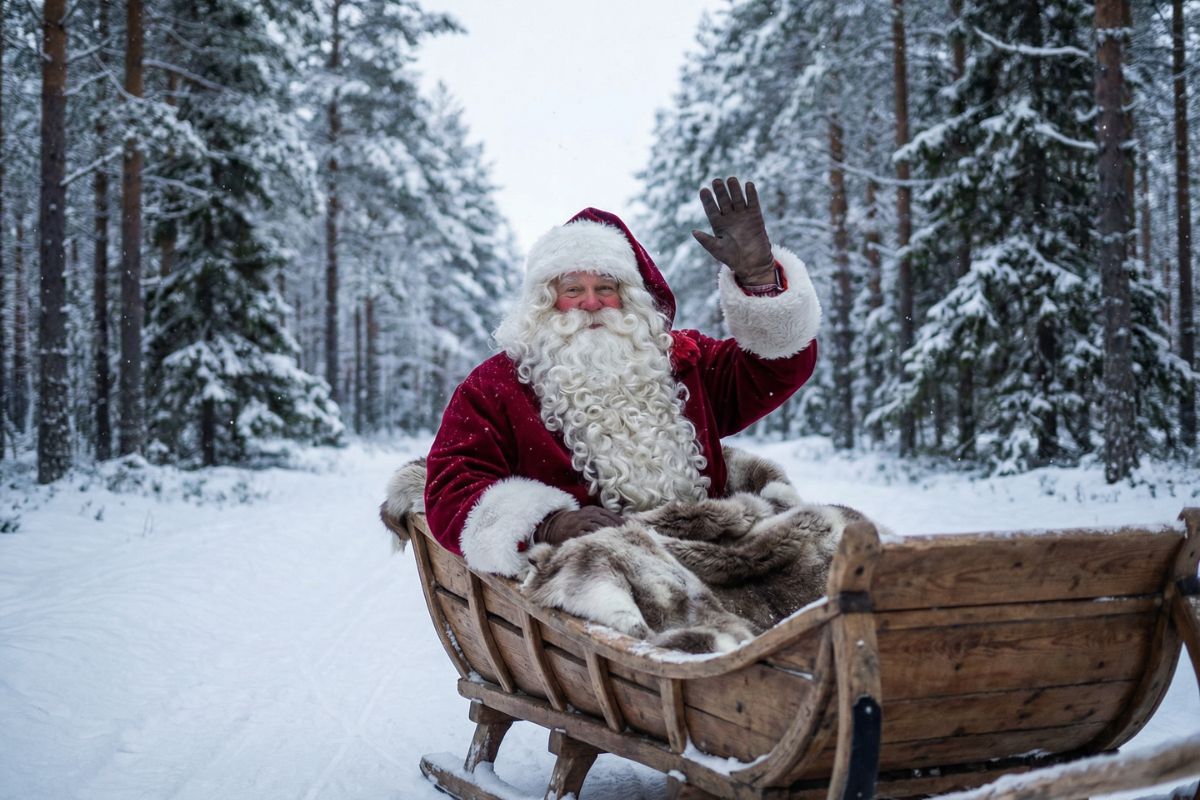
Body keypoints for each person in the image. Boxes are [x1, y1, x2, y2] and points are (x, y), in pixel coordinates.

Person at [424, 177, 821, 576]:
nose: (592, 303)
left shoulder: (683, 360)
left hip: (713, 555)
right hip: (597, 574)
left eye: (606, 286)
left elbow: (777, 367)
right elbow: (451, 486)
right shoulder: (496, 386)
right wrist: (547, 524)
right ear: (544, 300)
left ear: (629, 296)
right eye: (573, 289)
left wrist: (760, 280)